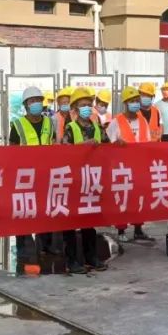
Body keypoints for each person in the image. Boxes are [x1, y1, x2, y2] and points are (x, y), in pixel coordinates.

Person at [62, 87, 108, 274]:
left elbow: (109, 149)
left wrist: (119, 145)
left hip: (92, 180)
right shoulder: (70, 128)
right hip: (74, 180)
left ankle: (91, 257)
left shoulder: (97, 127)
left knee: (89, 221)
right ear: (74, 108)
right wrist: (82, 146)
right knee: (71, 223)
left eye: (89, 105)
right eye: (83, 105)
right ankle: (72, 260)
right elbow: (64, 153)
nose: (87, 108)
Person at [9, 86, 55, 270]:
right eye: (32, 101)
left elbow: (54, 144)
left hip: (45, 174)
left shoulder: (50, 123)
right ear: (26, 105)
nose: (36, 103)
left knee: (44, 211)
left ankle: (45, 246)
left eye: (38, 100)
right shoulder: (18, 124)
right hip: (25, 176)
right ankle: (22, 249)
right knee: (24, 212)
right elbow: (11, 150)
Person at [106, 87, 154, 244]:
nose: (135, 104)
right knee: (123, 199)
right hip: (122, 168)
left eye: (136, 101)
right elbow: (108, 144)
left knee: (139, 198)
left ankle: (138, 229)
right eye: (132, 101)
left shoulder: (142, 120)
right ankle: (121, 230)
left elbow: (147, 142)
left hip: (139, 166)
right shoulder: (116, 121)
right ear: (125, 103)